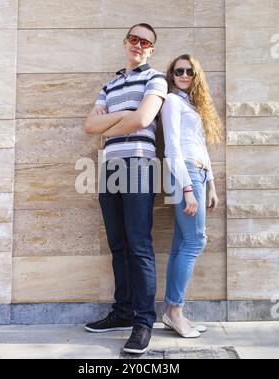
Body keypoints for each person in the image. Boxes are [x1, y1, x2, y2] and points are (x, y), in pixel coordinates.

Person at [83, 23, 167, 354]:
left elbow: (143, 120)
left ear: (151, 50)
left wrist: (116, 120)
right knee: (118, 245)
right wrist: (127, 114)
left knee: (139, 245)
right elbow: (90, 126)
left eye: (145, 42)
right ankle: (122, 311)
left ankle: (143, 321)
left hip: (139, 164)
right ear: (125, 42)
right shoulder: (109, 84)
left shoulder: (156, 78)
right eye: (134, 39)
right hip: (110, 168)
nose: (138, 44)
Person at [161, 54, 223, 338]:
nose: (184, 75)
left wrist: (210, 184)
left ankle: (171, 313)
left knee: (181, 244)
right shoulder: (172, 101)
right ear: (171, 74)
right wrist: (187, 188)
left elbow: (199, 146)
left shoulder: (191, 104)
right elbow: (172, 147)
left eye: (189, 71)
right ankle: (175, 311)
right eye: (178, 71)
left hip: (197, 173)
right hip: (183, 173)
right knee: (196, 241)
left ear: (196, 75)